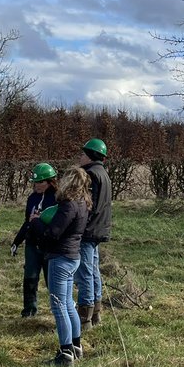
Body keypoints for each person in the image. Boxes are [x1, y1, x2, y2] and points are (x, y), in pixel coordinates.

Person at [31, 165, 92, 366]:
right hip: (73, 256)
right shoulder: (84, 203)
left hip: (61, 258)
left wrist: (37, 222)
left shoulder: (69, 204)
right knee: (67, 303)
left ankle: (65, 353)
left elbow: (53, 233)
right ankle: (76, 346)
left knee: (59, 305)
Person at [10, 163, 59, 318]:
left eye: (40, 182)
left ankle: (57, 311)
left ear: (50, 181)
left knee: (52, 280)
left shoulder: (58, 198)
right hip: (32, 243)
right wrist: (16, 241)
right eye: (35, 182)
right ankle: (29, 310)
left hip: (49, 245)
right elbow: (27, 222)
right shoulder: (32, 198)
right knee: (30, 276)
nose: (36, 185)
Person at [74, 138, 112, 328]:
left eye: (82, 154)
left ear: (90, 156)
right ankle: (96, 313)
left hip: (87, 231)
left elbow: (86, 206)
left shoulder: (89, 175)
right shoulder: (103, 173)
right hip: (99, 229)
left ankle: (84, 317)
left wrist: (77, 226)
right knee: (94, 271)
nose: (80, 157)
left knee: (85, 274)